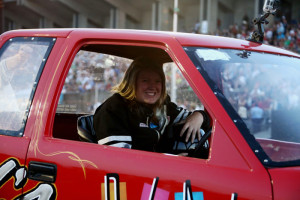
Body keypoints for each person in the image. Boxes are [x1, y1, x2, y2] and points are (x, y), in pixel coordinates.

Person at [93, 57, 210, 153]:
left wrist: (199, 116)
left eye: (157, 81)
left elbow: (197, 120)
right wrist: (174, 162)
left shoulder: (163, 106)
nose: (152, 87)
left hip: (159, 172)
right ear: (132, 83)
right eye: (145, 80)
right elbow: (119, 159)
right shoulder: (114, 109)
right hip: (132, 178)